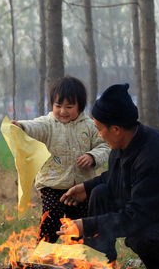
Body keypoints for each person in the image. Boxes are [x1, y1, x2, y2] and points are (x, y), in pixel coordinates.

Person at [57, 83, 159, 269]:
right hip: (152, 211)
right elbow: (116, 179)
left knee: (140, 236)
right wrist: (86, 187)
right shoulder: (123, 145)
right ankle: (98, 266)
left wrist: (85, 226)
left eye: (99, 129)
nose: (99, 135)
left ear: (115, 129)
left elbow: (136, 217)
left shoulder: (154, 156)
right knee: (100, 193)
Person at [11, 76, 110, 243]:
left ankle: (76, 260)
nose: (63, 111)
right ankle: (43, 253)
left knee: (78, 224)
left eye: (69, 107)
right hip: (52, 184)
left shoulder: (90, 126)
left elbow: (105, 146)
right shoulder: (48, 124)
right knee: (52, 216)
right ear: (52, 105)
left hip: (81, 187)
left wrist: (92, 157)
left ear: (80, 106)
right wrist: (21, 126)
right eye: (58, 106)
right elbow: (35, 126)